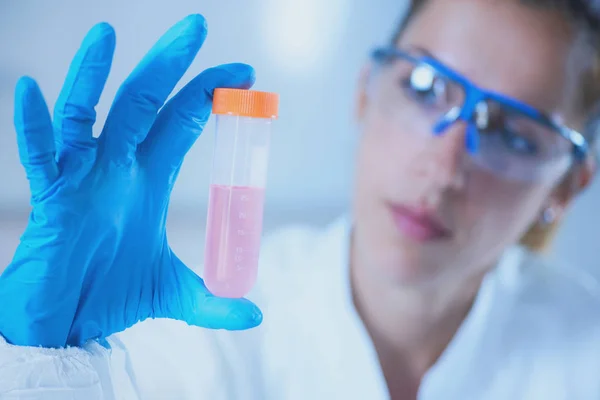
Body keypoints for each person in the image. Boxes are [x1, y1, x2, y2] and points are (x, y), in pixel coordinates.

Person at [1, 0, 599, 398]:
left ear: (567, 186)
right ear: (365, 91)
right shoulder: (211, 327)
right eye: (424, 87)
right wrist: (44, 365)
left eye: (512, 134)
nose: (443, 168)